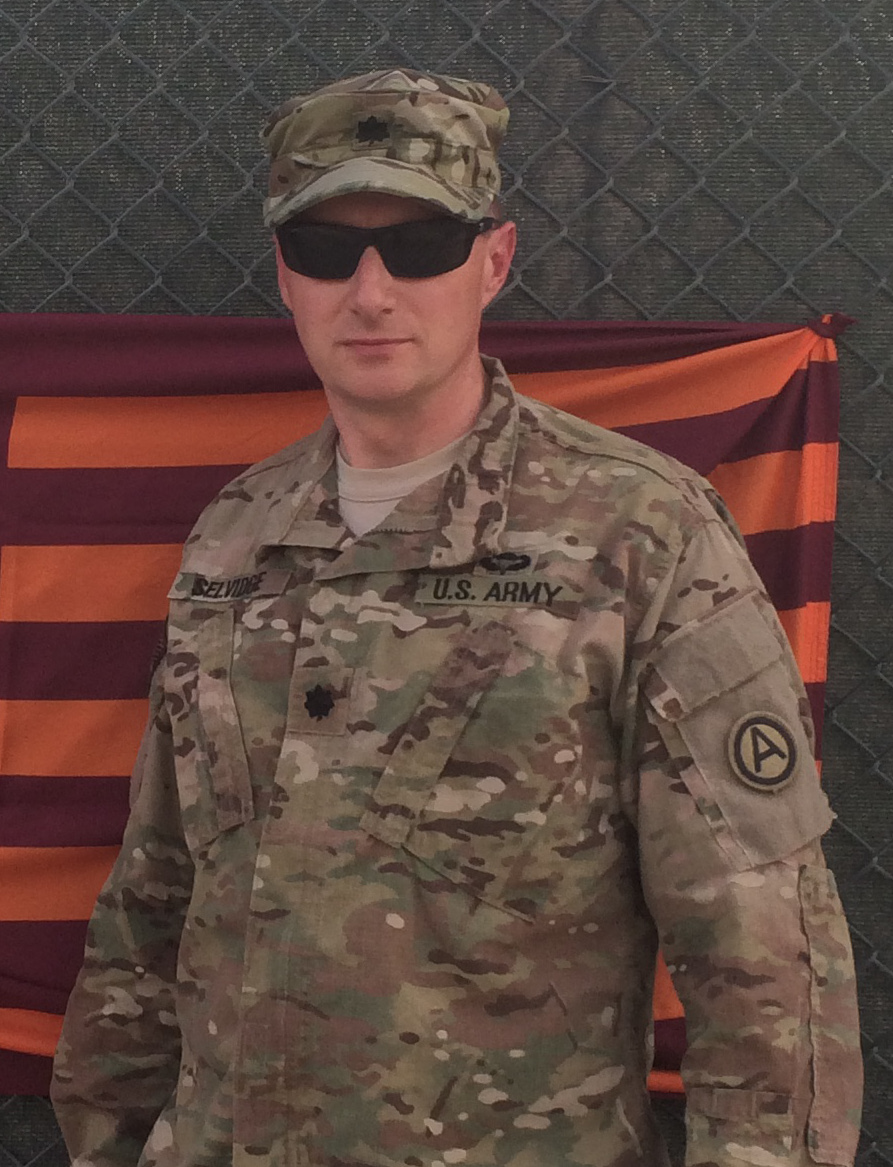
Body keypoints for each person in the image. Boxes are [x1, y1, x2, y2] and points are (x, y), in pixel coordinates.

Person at [50, 68, 862, 1167]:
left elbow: (761, 949)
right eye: (328, 252)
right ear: (285, 277)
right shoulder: (236, 536)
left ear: (494, 260)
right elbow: (157, 890)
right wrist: (105, 1137)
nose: (372, 293)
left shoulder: (640, 534)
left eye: (421, 246)